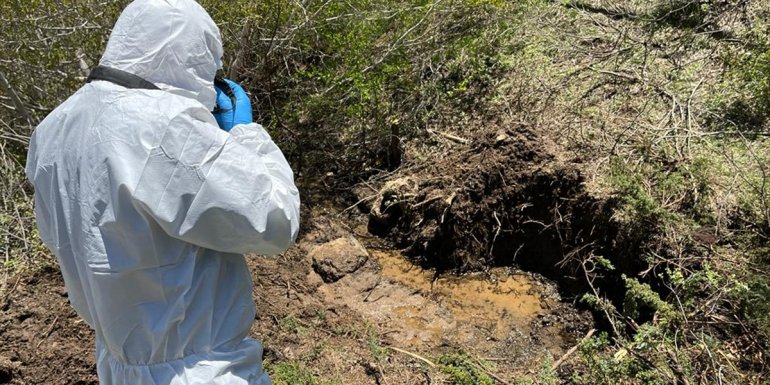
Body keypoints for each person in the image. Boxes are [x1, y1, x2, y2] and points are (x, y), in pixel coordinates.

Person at [24, 0, 300, 384]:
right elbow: (275, 220)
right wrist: (244, 136)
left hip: (117, 365)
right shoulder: (166, 126)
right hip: (201, 371)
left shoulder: (53, 129)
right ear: (189, 55)